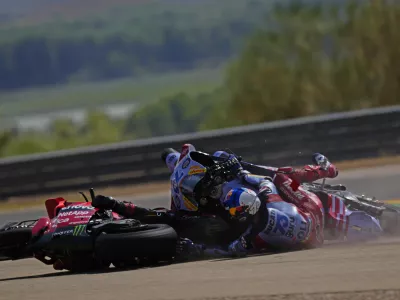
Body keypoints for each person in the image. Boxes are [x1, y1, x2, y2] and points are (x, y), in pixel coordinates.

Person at [91, 143, 339, 259]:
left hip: (291, 220)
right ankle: (323, 170)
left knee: (176, 219)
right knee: (279, 175)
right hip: (288, 203)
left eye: (237, 212)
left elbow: (227, 249)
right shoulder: (262, 204)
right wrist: (247, 178)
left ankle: (322, 173)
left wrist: (118, 205)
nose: (234, 213)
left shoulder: (245, 238)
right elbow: (265, 183)